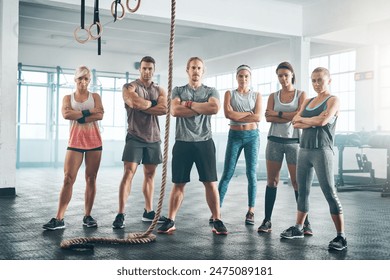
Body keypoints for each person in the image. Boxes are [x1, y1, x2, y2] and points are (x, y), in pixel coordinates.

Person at [157, 57, 228, 235]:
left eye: (199, 68)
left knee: (210, 183)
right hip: (183, 142)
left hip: (205, 142)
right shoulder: (178, 90)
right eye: (193, 68)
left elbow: (214, 109)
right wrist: (200, 107)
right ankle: (171, 220)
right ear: (187, 70)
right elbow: (175, 111)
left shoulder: (211, 90)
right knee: (178, 183)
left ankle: (217, 219)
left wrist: (187, 104)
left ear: (203, 71)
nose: (196, 71)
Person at [280, 67, 347, 251]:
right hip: (304, 150)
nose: (316, 84)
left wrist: (310, 120)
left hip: (322, 151)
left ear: (329, 80)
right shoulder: (308, 101)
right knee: (302, 191)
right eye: (313, 80)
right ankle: (299, 228)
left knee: (329, 192)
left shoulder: (333, 100)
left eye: (320, 80)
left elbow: (323, 122)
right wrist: (314, 119)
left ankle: (341, 236)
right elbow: (295, 121)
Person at [43, 65, 104, 230]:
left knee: (91, 178)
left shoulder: (95, 96)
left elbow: (100, 114)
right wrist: (87, 114)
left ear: (89, 80)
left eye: (86, 79)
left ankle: (88, 216)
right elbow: (66, 114)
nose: (83, 82)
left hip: (94, 143)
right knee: (68, 178)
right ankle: (59, 218)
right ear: (75, 79)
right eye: (80, 79)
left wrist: (80, 115)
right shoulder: (67, 98)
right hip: (75, 143)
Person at [112, 56, 167, 229]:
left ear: (154, 70)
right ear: (140, 69)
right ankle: (120, 214)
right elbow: (134, 102)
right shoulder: (130, 87)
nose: (147, 71)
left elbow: (165, 108)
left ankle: (148, 211)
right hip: (135, 136)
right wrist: (153, 104)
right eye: (144, 68)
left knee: (150, 176)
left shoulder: (160, 89)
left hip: (153, 138)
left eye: (150, 68)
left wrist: (145, 105)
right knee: (129, 173)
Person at [257, 62, 310, 234]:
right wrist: (288, 116)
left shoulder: (301, 95)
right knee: (272, 181)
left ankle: (305, 223)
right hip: (274, 141)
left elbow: (299, 117)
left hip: (293, 142)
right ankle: (267, 221)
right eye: (280, 75)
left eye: (286, 75)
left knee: (296, 182)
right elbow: (267, 117)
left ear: (292, 75)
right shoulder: (273, 96)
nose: (283, 78)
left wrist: (277, 114)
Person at [217, 65, 262, 225]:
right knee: (227, 173)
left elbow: (257, 117)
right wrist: (247, 114)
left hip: (252, 136)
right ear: (236, 77)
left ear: (250, 78)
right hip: (234, 135)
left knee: (251, 174)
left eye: (246, 76)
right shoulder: (230, 93)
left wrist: (239, 115)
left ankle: (251, 211)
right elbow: (227, 114)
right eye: (241, 76)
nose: (243, 79)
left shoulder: (256, 95)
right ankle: (216, 211)